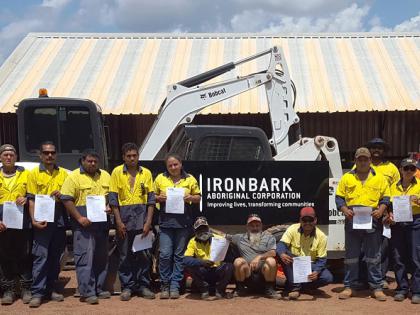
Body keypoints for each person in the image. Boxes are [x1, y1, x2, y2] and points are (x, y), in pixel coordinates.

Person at [336, 147, 390, 301]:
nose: (362, 161)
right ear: (355, 160)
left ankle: (376, 288)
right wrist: (345, 210)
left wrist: (381, 210)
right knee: (351, 256)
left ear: (370, 160)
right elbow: (339, 198)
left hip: (372, 219)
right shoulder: (347, 178)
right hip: (352, 219)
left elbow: (386, 198)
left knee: (374, 256)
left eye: (365, 158)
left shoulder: (380, 178)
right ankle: (349, 287)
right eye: (359, 158)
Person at [60, 149, 111, 304]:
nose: (93, 164)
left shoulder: (105, 175)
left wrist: (109, 206)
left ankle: (99, 288)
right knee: (84, 258)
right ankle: (87, 292)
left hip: (102, 224)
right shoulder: (74, 176)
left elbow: (111, 196)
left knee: (101, 258)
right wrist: (79, 217)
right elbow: (66, 199)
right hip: (83, 225)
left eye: (95, 161)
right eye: (89, 161)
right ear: (83, 161)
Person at [109, 143, 155, 301]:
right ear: (123, 157)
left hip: (142, 220)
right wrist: (119, 222)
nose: (132, 158)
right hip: (124, 220)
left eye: (134, 155)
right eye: (128, 156)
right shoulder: (116, 172)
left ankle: (143, 286)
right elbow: (113, 200)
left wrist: (148, 222)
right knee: (124, 255)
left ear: (138, 156)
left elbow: (151, 200)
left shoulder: (146, 173)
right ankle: (127, 287)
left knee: (143, 255)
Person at [27, 142, 68, 308]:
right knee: (40, 256)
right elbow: (31, 199)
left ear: (56, 154)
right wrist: (33, 220)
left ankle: (51, 289)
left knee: (55, 257)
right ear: (40, 155)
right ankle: (37, 292)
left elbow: (68, 198)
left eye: (52, 152)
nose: (49, 155)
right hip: (41, 219)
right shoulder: (33, 174)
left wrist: (62, 194)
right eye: (46, 153)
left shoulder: (64, 173)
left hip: (58, 219)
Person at [154, 153, 201, 299]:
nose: (173, 167)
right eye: (170, 165)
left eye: (175, 164)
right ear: (166, 167)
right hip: (165, 224)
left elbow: (199, 198)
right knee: (165, 254)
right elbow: (151, 196)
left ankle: (175, 286)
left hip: (183, 224)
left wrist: (190, 197)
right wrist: (158, 197)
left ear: (181, 164)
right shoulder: (160, 178)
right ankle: (165, 285)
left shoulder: (190, 178)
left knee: (179, 255)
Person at [277, 207, 333, 300]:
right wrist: (282, 254)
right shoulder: (292, 228)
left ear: (315, 220)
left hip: (310, 265)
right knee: (283, 254)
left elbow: (322, 259)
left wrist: (316, 271)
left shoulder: (322, 236)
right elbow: (281, 244)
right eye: (304, 220)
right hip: (294, 263)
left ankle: (305, 288)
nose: (307, 223)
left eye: (310, 220)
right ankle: (295, 289)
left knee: (328, 277)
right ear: (300, 220)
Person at [0, 144, 32, 305]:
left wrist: (26, 199)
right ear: (0, 157)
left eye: (11, 154)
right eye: (5, 154)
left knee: (24, 255)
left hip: (22, 220)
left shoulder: (26, 174)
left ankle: (26, 288)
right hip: (2, 223)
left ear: (16, 157)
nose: (8, 157)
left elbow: (33, 194)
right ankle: (8, 290)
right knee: (4, 257)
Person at [366, 137, 400, 289]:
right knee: (366, 246)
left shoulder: (391, 168)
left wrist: (391, 212)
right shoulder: (362, 164)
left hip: (386, 212)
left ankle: (381, 277)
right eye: (374, 147)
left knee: (384, 246)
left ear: (384, 150)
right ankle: (365, 277)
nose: (376, 150)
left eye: (380, 147)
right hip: (366, 212)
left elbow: (397, 191)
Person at [388, 158, 420, 304]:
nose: (409, 171)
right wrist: (389, 215)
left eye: (412, 169)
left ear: (415, 171)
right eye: (406, 168)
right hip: (398, 224)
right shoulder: (393, 187)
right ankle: (401, 288)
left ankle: (416, 291)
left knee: (415, 257)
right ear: (400, 169)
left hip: (415, 222)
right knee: (398, 257)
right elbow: (388, 205)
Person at [228, 213, 278, 298]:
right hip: (248, 273)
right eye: (252, 226)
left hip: (263, 273)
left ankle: (269, 289)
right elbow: (222, 236)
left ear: (261, 226)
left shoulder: (269, 237)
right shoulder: (239, 238)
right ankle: (240, 289)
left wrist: (259, 257)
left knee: (271, 261)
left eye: (257, 225)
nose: (255, 228)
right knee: (238, 261)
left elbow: (273, 253)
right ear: (247, 227)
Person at [183, 216, 234, 300]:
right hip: (203, 271)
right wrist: (202, 262)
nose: (202, 231)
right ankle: (204, 290)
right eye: (199, 229)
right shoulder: (193, 241)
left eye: (204, 228)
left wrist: (229, 241)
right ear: (195, 231)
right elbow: (186, 259)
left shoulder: (219, 238)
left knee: (229, 266)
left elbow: (231, 240)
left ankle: (220, 291)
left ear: (208, 228)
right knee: (190, 266)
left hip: (217, 270)